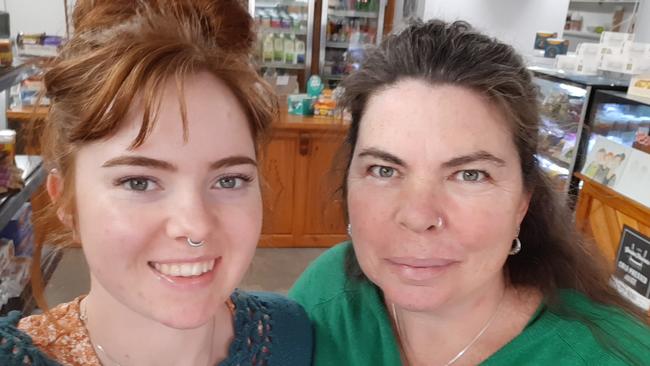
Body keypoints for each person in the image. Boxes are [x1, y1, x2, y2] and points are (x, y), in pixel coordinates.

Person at [289, 19, 650, 365]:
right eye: (384, 170)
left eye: (470, 175)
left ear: (523, 202)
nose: (418, 216)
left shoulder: (613, 355)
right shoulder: (328, 293)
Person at [0, 1, 312, 365]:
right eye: (139, 183)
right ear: (66, 203)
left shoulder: (291, 335)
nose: (195, 226)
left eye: (229, 180)